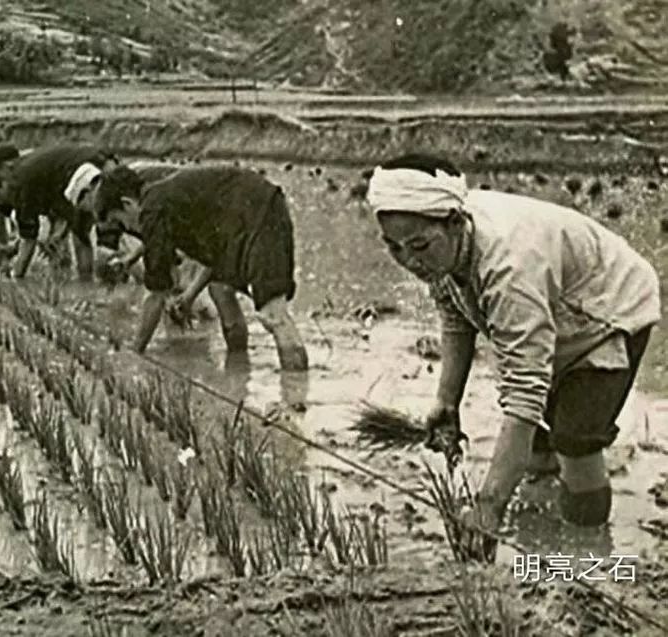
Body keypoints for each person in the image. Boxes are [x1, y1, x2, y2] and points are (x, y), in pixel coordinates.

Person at [366, 153, 661, 557]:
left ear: (456, 222)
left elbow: (523, 394)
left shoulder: (509, 269)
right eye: (394, 248)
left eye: (418, 246)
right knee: (538, 446)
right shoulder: (444, 254)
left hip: (609, 310)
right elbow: (456, 319)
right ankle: (539, 544)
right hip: (556, 311)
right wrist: (446, 402)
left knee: (575, 439)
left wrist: (488, 508)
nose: (409, 261)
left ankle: (589, 563)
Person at [85, 163, 309, 371]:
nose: (127, 228)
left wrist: (136, 352)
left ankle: (295, 401)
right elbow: (214, 257)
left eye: (121, 221)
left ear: (127, 203)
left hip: (259, 213)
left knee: (273, 314)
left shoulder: (153, 210)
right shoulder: (162, 200)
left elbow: (156, 294)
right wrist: (190, 295)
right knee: (221, 288)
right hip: (248, 214)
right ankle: (238, 369)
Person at [0, 143, 119, 281]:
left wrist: (16, 277)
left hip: (89, 171)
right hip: (103, 159)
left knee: (85, 235)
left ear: (4, 168)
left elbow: (29, 240)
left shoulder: (20, 181)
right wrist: (58, 235)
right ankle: (90, 282)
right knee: (97, 230)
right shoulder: (36, 168)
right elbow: (61, 209)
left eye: (2, 181)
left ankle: (89, 281)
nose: (4, 187)